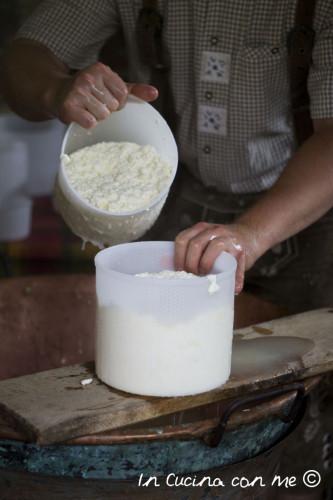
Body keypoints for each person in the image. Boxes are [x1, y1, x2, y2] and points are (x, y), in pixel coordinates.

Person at [2, 0, 333, 495]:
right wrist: (56, 87)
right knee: (173, 403)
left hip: (305, 219)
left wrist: (252, 234)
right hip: (183, 205)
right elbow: (22, 57)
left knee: (294, 419)